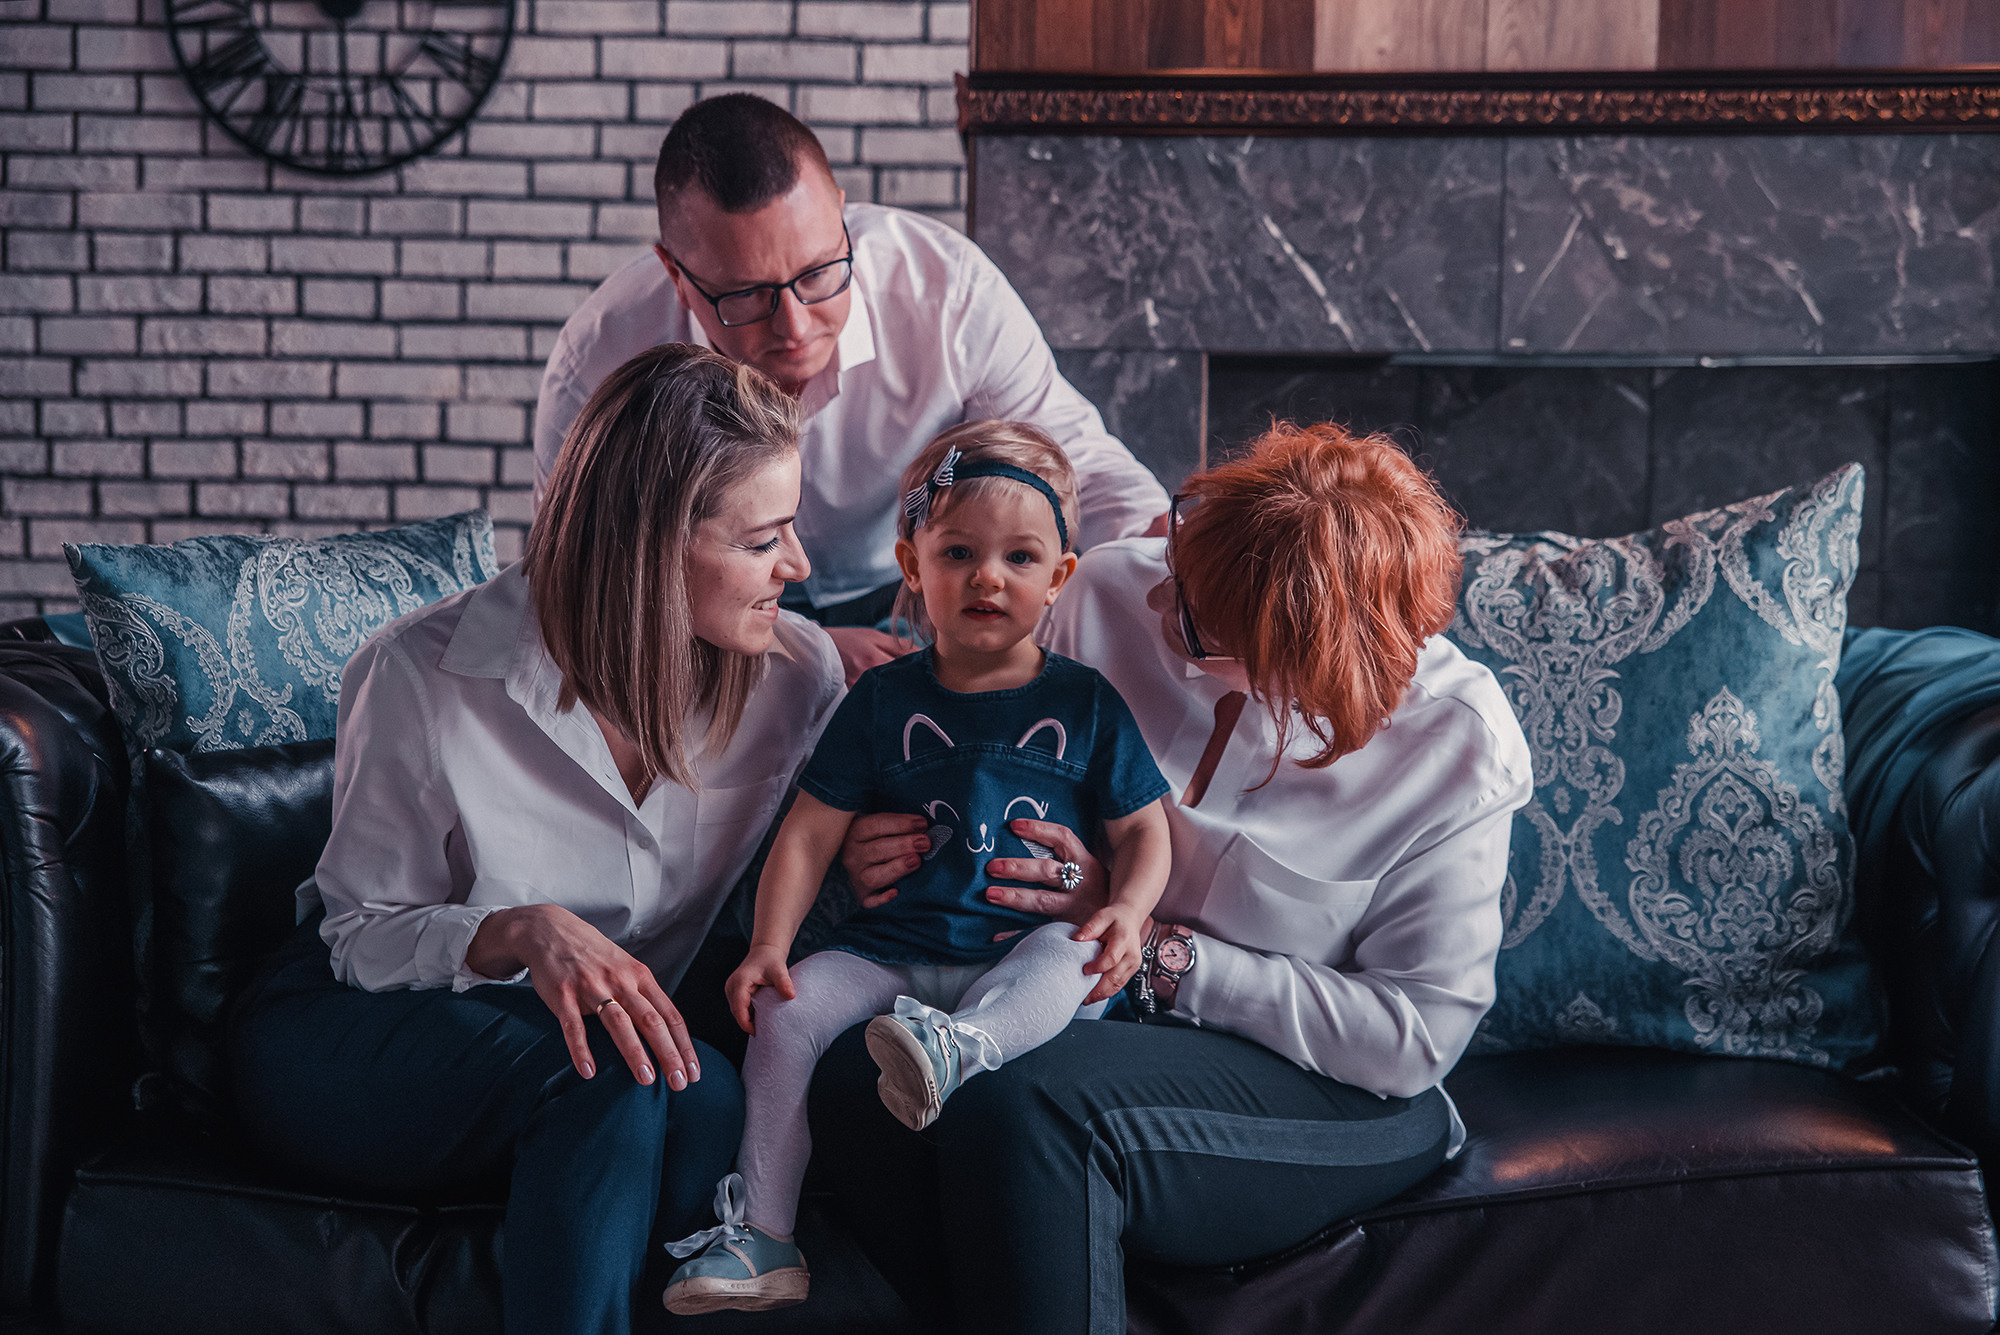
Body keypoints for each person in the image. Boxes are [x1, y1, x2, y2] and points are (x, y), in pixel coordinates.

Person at [817, 421, 1535, 1334]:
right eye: (1175, 554)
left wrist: (1158, 953)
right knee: (857, 1073)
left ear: (1303, 659)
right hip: (1075, 1002)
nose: (1156, 603)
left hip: (1338, 1084)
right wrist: (884, 830)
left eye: (1192, 616)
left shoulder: (1457, 746)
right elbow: (967, 743)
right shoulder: (1112, 589)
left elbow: (1408, 1034)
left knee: (1028, 1106)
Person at [229, 345, 844, 1335]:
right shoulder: (420, 673)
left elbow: (853, 823)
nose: (798, 567)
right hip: (358, 1022)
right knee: (606, 1076)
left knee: (704, 1097)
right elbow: (361, 939)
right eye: (762, 538)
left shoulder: (795, 679)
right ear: (652, 546)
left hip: (594, 1048)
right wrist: (518, 930)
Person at [662, 421, 1173, 1315]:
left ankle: (967, 1045)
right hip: (895, 949)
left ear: (1059, 577)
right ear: (913, 562)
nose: (988, 576)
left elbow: (1145, 833)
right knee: (785, 1012)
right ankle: (763, 1236)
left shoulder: (1084, 703)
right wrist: (769, 947)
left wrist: (1128, 910)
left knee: (1077, 952)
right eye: (960, 551)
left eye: (1021, 557)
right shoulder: (881, 699)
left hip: (1023, 953)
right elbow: (810, 836)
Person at [533, 93, 1170, 685]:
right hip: (707, 611)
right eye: (747, 295)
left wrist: (1168, 549)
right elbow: (578, 576)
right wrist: (800, 643)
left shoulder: (950, 295)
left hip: (910, 582)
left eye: (817, 274)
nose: (795, 327)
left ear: (841, 213)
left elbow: (1076, 460)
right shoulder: (601, 358)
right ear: (676, 273)